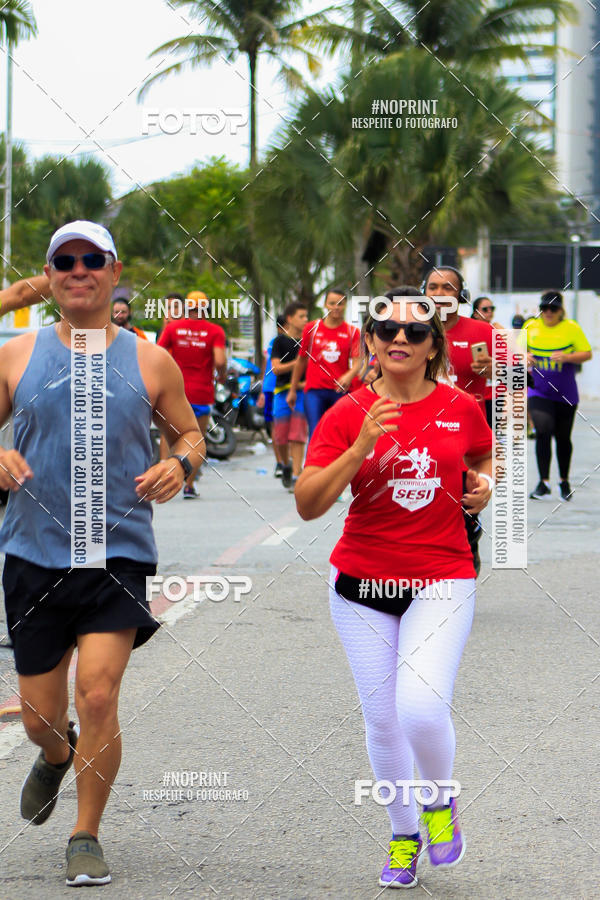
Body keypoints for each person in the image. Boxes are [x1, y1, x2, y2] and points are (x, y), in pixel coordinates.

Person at [0, 220, 203, 887]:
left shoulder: (151, 360)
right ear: (50, 277)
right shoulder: (16, 355)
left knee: (96, 693)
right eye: (65, 261)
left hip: (116, 552)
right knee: (39, 717)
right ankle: (56, 755)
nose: (79, 270)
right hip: (32, 554)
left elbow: (191, 436)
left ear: (115, 272)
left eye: (93, 259)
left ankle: (85, 834)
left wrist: (179, 464)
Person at [295, 287, 493, 889]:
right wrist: (360, 447)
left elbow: (482, 458)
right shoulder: (346, 412)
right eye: (387, 331)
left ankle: (438, 801)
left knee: (422, 708)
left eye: (415, 331)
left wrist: (483, 486)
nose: (400, 339)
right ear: (371, 342)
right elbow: (308, 504)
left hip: (442, 576)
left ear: (434, 345)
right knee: (383, 723)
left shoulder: (462, 407)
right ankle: (404, 834)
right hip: (360, 583)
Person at [422, 266, 494, 573]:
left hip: (465, 438)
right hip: (419, 434)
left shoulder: (483, 331)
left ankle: (466, 556)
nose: (439, 294)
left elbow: (520, 374)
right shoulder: (410, 329)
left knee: (464, 509)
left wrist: (493, 368)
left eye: (447, 288)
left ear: (460, 295)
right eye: (433, 287)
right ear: (424, 292)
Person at [524, 291, 592, 500]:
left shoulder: (571, 328)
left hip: (565, 393)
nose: (548, 312)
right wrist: (524, 355)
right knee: (543, 430)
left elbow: (587, 353)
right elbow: (515, 349)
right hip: (539, 391)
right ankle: (543, 483)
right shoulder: (531, 326)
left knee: (563, 438)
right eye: (544, 308)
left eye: (553, 308)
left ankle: (564, 481)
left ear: (561, 310)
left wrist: (567, 357)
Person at [158, 291, 226, 497]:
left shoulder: (172, 328)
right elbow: (220, 361)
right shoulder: (215, 331)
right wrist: (222, 375)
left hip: (175, 391)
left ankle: (163, 476)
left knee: (167, 433)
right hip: (201, 392)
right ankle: (189, 485)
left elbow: (158, 354)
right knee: (197, 438)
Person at [288, 289, 361, 438]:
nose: (336, 307)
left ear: (345, 305)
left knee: (339, 434)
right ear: (325, 305)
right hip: (314, 391)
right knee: (315, 432)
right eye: (332, 303)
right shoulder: (312, 329)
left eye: (340, 304)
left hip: (339, 391)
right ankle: (313, 454)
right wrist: (292, 390)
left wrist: (349, 375)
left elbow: (358, 361)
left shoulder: (352, 332)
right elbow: (301, 360)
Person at [271, 301, 309, 490]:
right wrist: (299, 362)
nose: (305, 320)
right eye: (301, 316)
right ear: (290, 318)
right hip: (282, 392)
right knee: (280, 436)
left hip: (303, 392)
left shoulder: (309, 342)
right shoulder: (280, 341)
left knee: (298, 435)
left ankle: (296, 474)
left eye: (306, 316)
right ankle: (286, 465)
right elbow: (276, 368)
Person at [258, 314, 286, 477]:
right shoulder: (272, 344)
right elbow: (265, 367)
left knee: (287, 427)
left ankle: (288, 462)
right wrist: (262, 391)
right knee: (275, 427)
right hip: (271, 388)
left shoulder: (295, 343)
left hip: (286, 388)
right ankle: (280, 463)